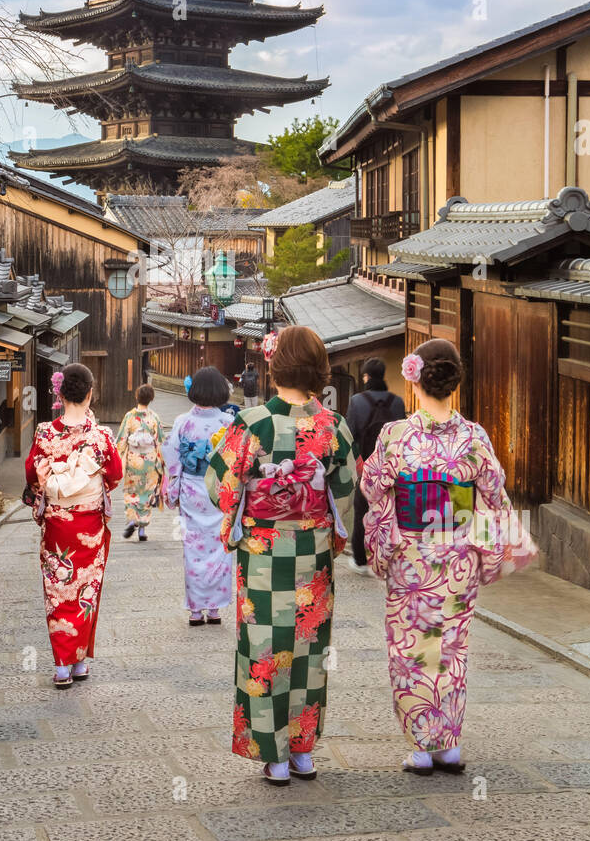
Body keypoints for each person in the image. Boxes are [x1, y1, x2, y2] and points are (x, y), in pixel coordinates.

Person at [361, 338, 537, 775]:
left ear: (414, 378)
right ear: (453, 381)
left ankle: (421, 747)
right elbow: (494, 496)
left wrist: (384, 539)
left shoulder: (396, 436)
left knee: (412, 651)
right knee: (451, 651)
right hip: (457, 559)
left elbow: (372, 488)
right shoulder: (474, 436)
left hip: (411, 557)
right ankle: (449, 746)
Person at [206, 327, 360, 785]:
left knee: (264, 647)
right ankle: (303, 751)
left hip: (262, 553)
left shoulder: (252, 423)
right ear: (319, 370)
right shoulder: (332, 425)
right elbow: (346, 490)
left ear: (273, 370)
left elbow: (220, 486)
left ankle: (272, 755)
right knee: (309, 649)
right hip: (311, 555)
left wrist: (259, 501)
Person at [25, 363, 123, 689]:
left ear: (59, 392)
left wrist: (50, 485)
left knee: (58, 592)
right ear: (90, 393)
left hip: (57, 526)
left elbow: (31, 475)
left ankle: (63, 667)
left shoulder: (44, 433)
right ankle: (79, 661)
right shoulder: (102, 437)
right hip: (89, 527)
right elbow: (116, 474)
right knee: (85, 590)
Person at [163, 366, 235, 626]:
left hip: (192, 490)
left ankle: (196, 610)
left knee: (193, 550)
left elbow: (172, 459)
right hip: (219, 490)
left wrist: (172, 491)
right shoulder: (228, 423)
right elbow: (235, 461)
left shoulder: (183, 421)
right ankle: (214, 608)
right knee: (220, 548)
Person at [345, 357, 405, 577]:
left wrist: (356, 465)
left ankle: (361, 560)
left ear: (366, 377)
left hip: (366, 467)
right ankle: (388, 557)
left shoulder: (357, 401)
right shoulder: (397, 402)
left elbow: (350, 435)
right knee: (391, 511)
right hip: (392, 466)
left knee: (363, 512)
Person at [116, 384, 165, 542]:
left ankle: (132, 520)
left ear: (137, 397)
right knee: (147, 493)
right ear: (151, 399)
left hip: (134, 461)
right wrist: (162, 462)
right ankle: (142, 529)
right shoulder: (155, 418)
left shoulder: (129, 416)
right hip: (150, 462)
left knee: (132, 491)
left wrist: (118, 456)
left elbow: (121, 439)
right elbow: (160, 441)